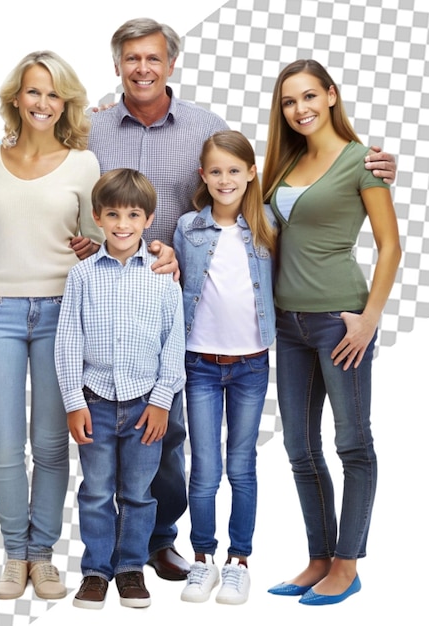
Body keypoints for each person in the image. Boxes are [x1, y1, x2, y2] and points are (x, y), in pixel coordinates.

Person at [87, 17, 397, 581]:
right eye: (131, 59)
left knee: (334, 444)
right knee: (274, 449)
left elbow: (380, 240)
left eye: (153, 57)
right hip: (165, 312)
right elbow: (50, 150)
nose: (143, 68)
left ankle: (329, 563)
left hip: (315, 328)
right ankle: (147, 552)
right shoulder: (99, 129)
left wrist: (370, 316)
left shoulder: (245, 157)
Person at [262, 59, 401, 605]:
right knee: (298, 444)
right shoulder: (285, 162)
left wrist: (370, 318)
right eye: (289, 102)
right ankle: (318, 557)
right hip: (288, 323)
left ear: (332, 95)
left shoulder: (362, 162)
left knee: (352, 443)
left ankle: (348, 562)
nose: (300, 109)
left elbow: (390, 245)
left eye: (309, 97)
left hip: (339, 320)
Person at [0, 51, 104, 601]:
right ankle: (15, 553)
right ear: (15, 99)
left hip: (61, 313)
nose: (42, 103)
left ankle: (43, 556)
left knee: (50, 444)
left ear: (65, 103)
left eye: (53, 94)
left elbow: (100, 241)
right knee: (4, 445)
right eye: (32, 92)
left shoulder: (84, 164)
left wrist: (91, 244)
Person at [55, 168, 186, 609]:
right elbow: (68, 340)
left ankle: (130, 567)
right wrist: (74, 402)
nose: (123, 224)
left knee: (138, 492)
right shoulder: (83, 276)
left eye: (133, 214)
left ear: (148, 219)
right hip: (95, 401)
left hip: (145, 405)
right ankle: (95, 570)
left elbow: (175, 343)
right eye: (113, 214)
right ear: (97, 217)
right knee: (95, 490)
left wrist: (162, 401)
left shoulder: (163, 276)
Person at [174, 130, 276, 605]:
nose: (225, 178)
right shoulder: (189, 228)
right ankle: (202, 558)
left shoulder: (268, 227)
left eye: (234, 170)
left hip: (252, 365)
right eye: (215, 170)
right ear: (203, 175)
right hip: (201, 365)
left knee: (242, 466)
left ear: (251, 173)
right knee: (206, 468)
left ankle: (239, 561)